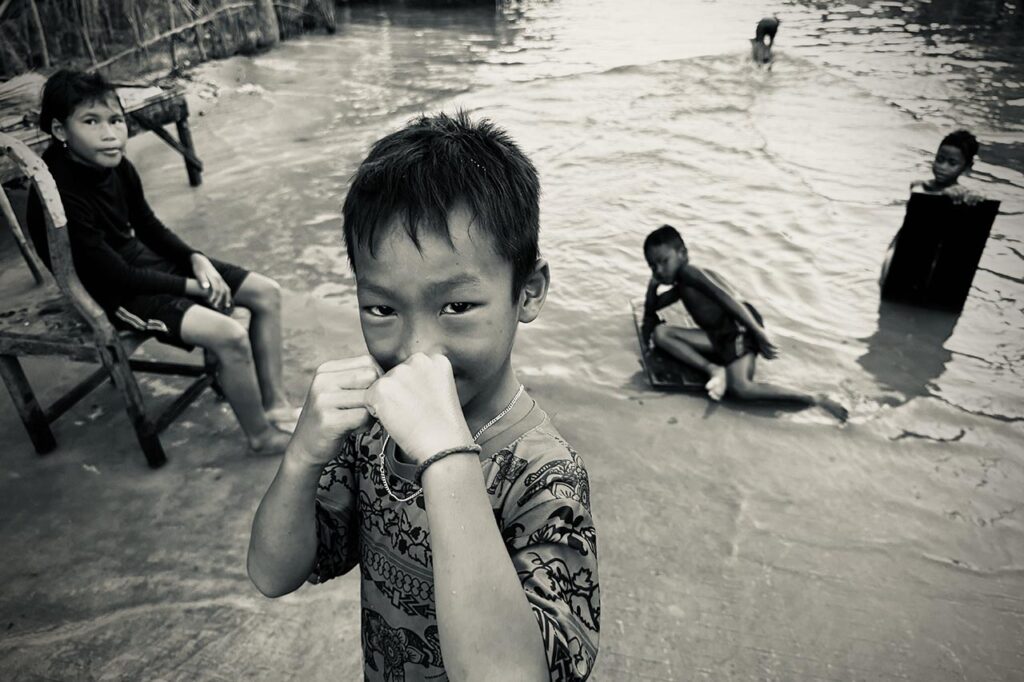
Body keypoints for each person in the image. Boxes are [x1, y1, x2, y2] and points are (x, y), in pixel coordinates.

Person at [247, 112, 600, 681]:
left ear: (529, 292)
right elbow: (272, 573)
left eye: (456, 306)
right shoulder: (372, 432)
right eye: (381, 308)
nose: (418, 352)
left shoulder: (544, 475)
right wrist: (302, 457)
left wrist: (446, 455)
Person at [27, 69, 296, 455]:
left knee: (266, 293)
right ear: (59, 130)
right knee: (230, 336)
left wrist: (195, 259)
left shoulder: (116, 165)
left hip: (142, 264)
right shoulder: (58, 193)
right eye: (91, 122)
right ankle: (262, 437)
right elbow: (114, 275)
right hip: (112, 294)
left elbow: (148, 226)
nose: (110, 134)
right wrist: (194, 287)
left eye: (115, 120)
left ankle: (275, 406)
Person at [643, 224, 848, 420]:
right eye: (653, 266)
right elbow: (652, 308)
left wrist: (757, 332)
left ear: (682, 254)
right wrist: (652, 286)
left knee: (741, 388)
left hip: (738, 329)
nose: (658, 270)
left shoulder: (690, 273)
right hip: (719, 336)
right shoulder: (682, 284)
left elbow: (727, 298)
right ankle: (714, 369)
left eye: (664, 261)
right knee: (661, 334)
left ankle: (814, 398)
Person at [909, 129, 985, 205]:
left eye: (952, 163)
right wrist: (942, 195)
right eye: (939, 159)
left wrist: (976, 198)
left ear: (966, 167)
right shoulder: (920, 185)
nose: (942, 167)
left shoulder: (965, 195)